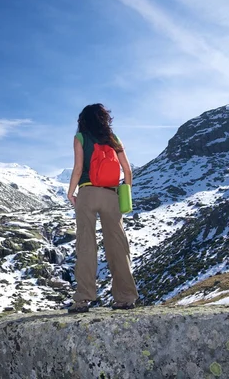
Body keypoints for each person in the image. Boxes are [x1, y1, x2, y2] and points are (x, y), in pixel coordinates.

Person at [66, 103, 138, 313]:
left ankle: (83, 300)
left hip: (87, 193)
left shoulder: (80, 138)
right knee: (118, 246)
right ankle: (125, 298)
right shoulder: (113, 139)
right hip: (111, 194)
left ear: (83, 120)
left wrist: (71, 192)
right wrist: (125, 192)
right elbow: (127, 169)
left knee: (86, 245)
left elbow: (78, 168)